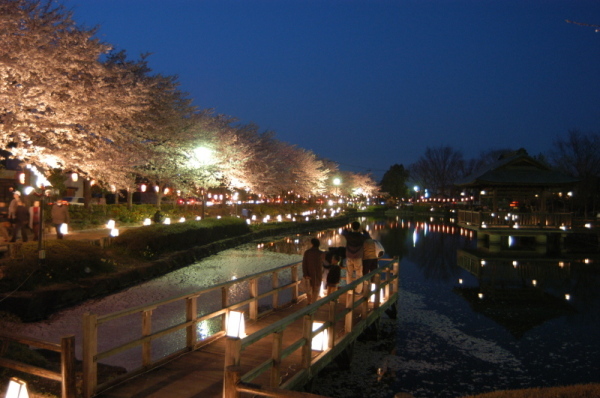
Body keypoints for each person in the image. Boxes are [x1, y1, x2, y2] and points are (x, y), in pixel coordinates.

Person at [341, 221, 368, 293]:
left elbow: (343, 232)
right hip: (358, 257)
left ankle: (349, 290)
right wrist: (364, 230)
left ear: (352, 227)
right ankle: (358, 290)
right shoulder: (361, 236)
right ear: (358, 227)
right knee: (359, 274)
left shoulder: (349, 235)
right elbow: (368, 236)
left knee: (349, 273)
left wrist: (348, 228)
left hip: (349, 256)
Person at [302, 238, 325, 304]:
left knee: (308, 288)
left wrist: (305, 273)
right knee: (316, 289)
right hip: (318, 274)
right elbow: (324, 264)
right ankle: (314, 302)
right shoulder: (321, 253)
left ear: (312, 244)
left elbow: (304, 264)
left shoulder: (307, 252)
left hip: (309, 273)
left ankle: (309, 302)